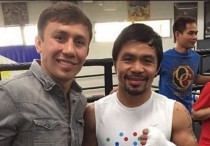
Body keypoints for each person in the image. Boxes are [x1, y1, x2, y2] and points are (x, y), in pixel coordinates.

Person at [82, 23, 198, 146]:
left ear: (158, 68)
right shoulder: (93, 114)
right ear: (115, 64)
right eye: (128, 59)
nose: (137, 68)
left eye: (147, 61)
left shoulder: (175, 112)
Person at [0, 2, 92, 146]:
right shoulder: (10, 95)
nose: (69, 50)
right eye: (60, 38)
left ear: (86, 52)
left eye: (79, 42)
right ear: (38, 43)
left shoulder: (79, 102)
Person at [158, 16, 210, 113]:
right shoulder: (164, 57)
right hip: (167, 111)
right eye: (190, 33)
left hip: (187, 110)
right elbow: (148, 77)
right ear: (177, 35)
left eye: (196, 33)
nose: (195, 37)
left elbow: (194, 78)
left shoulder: (196, 57)